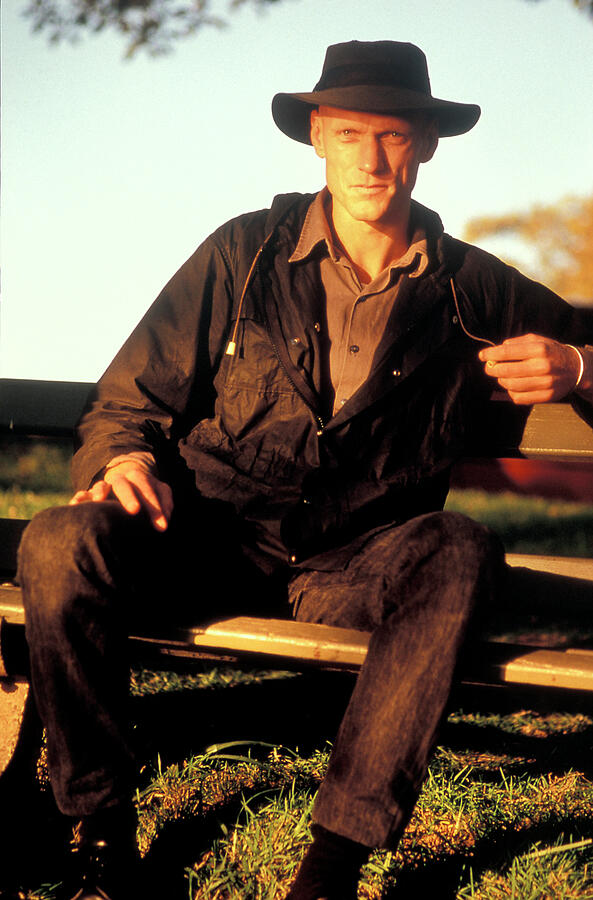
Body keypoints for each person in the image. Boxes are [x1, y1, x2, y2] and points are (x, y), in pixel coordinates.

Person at [16, 40, 593, 900]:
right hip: (203, 537)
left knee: (458, 546)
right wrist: (124, 457)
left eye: (393, 135)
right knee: (59, 542)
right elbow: (124, 399)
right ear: (317, 136)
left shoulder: (474, 287)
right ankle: (100, 833)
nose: (370, 159)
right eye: (350, 132)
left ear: (428, 143)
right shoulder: (241, 252)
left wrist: (580, 368)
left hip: (355, 566)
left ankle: (329, 871)